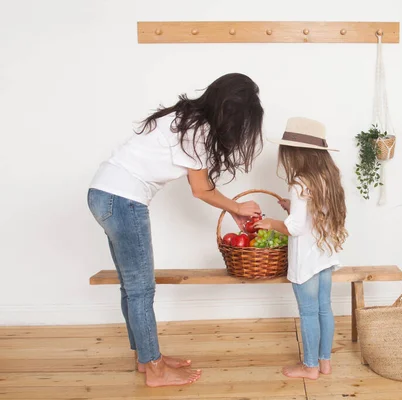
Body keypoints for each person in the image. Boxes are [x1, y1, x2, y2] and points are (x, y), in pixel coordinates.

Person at [87, 73, 264, 387]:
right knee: (141, 290)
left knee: (131, 287)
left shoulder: (186, 119)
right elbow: (201, 189)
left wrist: (232, 210)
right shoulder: (196, 129)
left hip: (104, 193)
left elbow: (203, 185)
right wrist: (237, 207)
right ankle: (155, 370)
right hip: (123, 199)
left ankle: (146, 358)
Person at [254, 117, 348, 380]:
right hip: (324, 255)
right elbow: (311, 216)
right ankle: (324, 362)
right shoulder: (326, 178)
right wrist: (290, 205)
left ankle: (309, 367)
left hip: (306, 261)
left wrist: (272, 222)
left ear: (295, 153)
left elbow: (294, 228)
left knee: (308, 312)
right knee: (324, 308)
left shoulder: (299, 183)